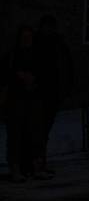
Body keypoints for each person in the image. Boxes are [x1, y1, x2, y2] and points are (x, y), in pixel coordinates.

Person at [2, 26, 48, 181]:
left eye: (29, 36)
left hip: (34, 98)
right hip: (16, 99)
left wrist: (34, 80)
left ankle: (35, 167)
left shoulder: (38, 54)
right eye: (24, 37)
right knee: (15, 134)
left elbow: (45, 73)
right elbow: (5, 74)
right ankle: (16, 168)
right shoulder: (13, 55)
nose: (27, 39)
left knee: (35, 133)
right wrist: (18, 77)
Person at [33, 15, 73, 172]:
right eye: (46, 26)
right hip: (38, 93)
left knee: (44, 130)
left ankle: (39, 162)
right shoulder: (36, 43)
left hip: (53, 92)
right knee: (36, 129)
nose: (49, 29)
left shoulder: (59, 44)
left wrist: (66, 87)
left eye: (51, 26)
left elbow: (66, 66)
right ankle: (34, 162)